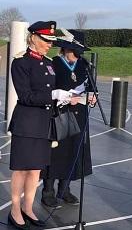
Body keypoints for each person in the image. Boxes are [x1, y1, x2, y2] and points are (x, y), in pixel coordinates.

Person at [8, 21, 77, 229]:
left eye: (51, 41)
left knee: (36, 170)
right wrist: (53, 95)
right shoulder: (20, 62)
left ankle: (28, 208)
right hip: (27, 124)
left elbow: (50, 91)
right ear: (34, 38)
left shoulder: (48, 62)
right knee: (21, 169)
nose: (50, 45)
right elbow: (26, 96)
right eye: (46, 40)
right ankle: (14, 210)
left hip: (44, 124)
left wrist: (62, 97)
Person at [41, 29, 95, 208]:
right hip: (59, 114)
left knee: (73, 151)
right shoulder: (54, 63)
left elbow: (90, 88)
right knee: (55, 153)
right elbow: (48, 90)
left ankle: (65, 189)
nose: (77, 53)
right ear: (66, 48)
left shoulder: (84, 65)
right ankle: (48, 191)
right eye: (74, 49)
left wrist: (91, 97)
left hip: (79, 113)